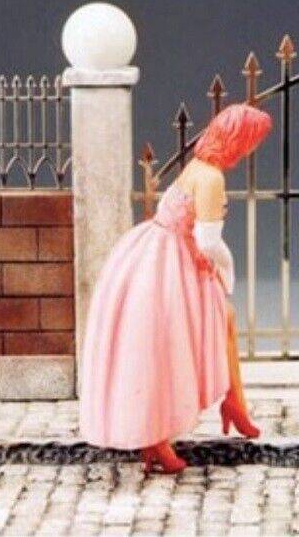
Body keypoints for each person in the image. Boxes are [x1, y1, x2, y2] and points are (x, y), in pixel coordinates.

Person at [79, 103, 272, 473]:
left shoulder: (198, 166)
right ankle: (161, 433)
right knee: (170, 343)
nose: (251, 150)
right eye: (251, 142)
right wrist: (227, 269)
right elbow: (208, 241)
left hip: (157, 251)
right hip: (169, 262)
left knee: (216, 325)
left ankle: (233, 403)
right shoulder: (210, 178)